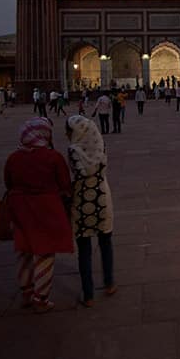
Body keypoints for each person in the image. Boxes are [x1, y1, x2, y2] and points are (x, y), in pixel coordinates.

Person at [4, 117, 74, 312]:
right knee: (44, 251)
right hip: (46, 207)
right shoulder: (53, 157)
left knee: (24, 250)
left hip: (19, 207)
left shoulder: (14, 157)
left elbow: (8, 182)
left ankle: (26, 292)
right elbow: (65, 185)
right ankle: (41, 298)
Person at [65, 116, 116, 307]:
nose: (67, 135)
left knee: (84, 248)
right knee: (106, 241)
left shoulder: (73, 150)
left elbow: (77, 173)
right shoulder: (101, 145)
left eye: (69, 131)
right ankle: (109, 283)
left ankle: (88, 295)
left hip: (82, 199)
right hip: (102, 196)